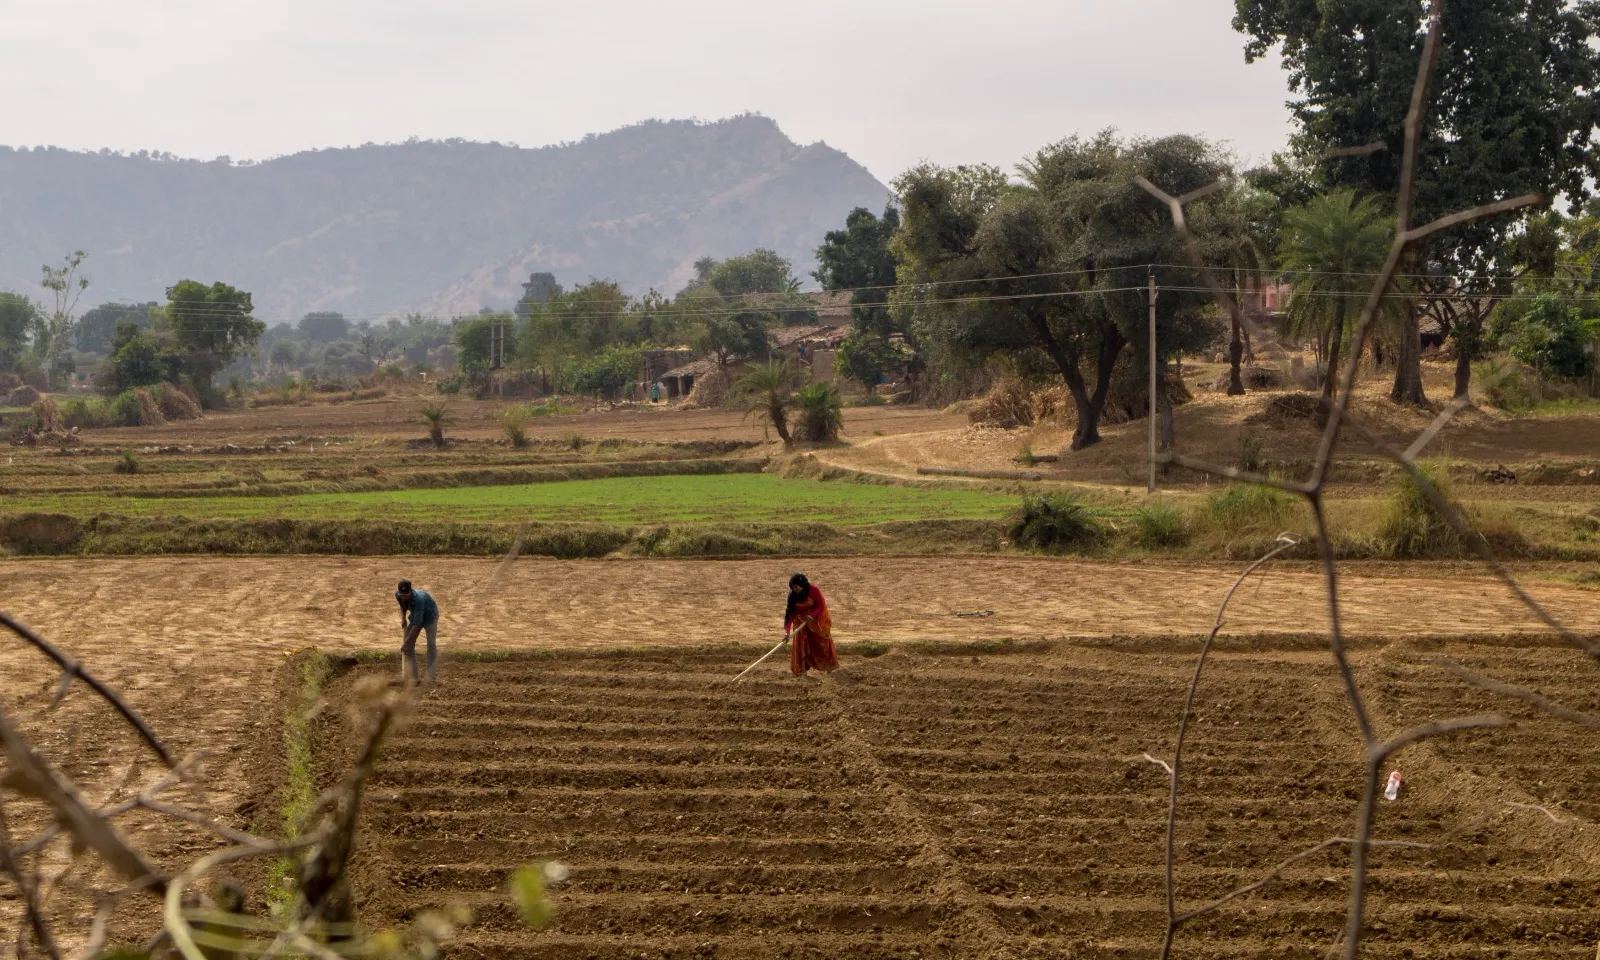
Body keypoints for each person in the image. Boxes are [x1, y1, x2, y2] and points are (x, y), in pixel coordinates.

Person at [784, 573, 838, 676]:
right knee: (801, 642)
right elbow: (790, 614)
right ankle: (802, 669)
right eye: (792, 587)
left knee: (821, 641)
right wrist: (786, 632)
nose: (794, 589)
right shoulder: (792, 596)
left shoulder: (813, 590)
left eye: (796, 587)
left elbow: (821, 605)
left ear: (802, 585)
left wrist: (811, 616)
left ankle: (829, 667)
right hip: (800, 618)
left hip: (816, 618)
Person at [395, 580, 440, 684]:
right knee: (409, 647)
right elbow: (402, 606)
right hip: (416, 615)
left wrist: (406, 643)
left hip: (430, 616)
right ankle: (415, 678)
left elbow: (417, 625)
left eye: (406, 595)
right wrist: (403, 618)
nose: (404, 597)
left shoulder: (419, 599)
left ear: (411, 591)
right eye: (402, 595)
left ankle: (431, 677)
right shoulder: (398, 595)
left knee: (431, 643)